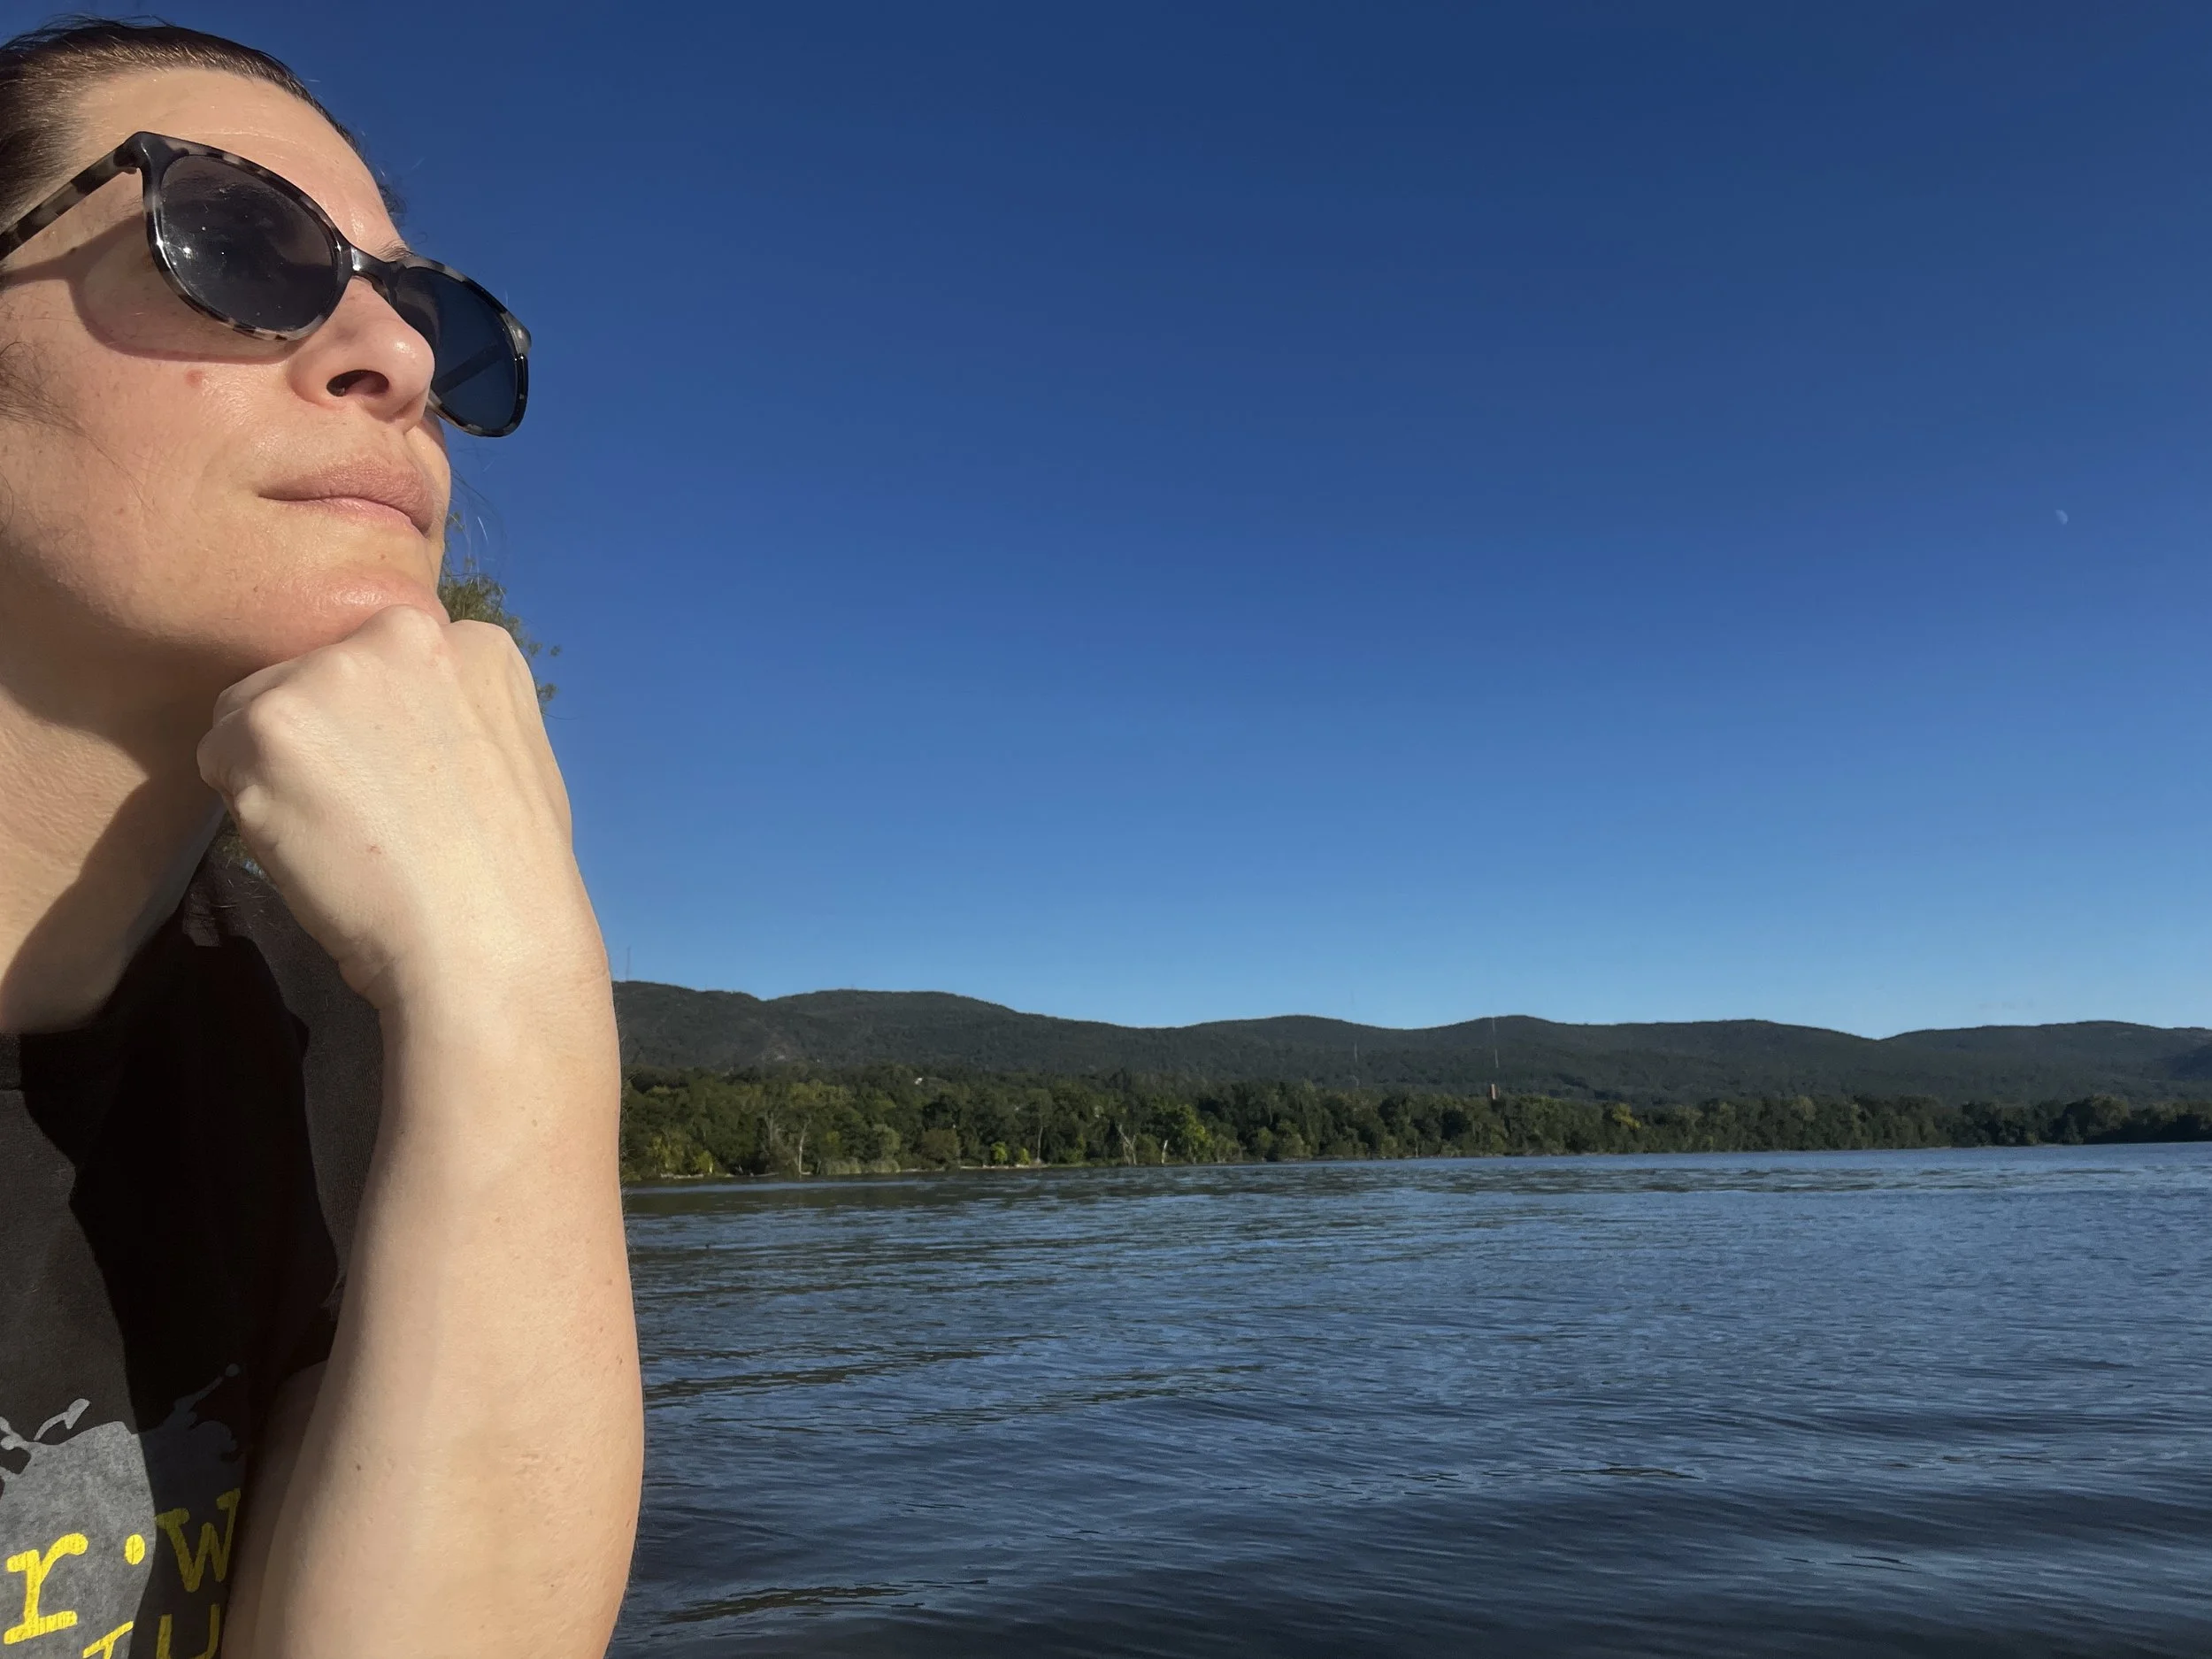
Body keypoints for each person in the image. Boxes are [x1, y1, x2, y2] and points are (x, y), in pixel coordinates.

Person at [0, 18, 641, 1658]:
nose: (404, 362)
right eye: (235, 238)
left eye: (438, 319)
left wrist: (513, 1001)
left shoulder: (317, 1039)